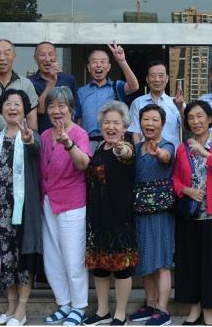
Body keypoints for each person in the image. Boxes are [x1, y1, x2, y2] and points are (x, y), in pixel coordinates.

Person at [0, 90, 43, 327]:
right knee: (6, 258)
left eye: (17, 104)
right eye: (8, 103)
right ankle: (10, 307)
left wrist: (27, 139)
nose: (12, 107)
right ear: (1, 109)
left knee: (25, 257)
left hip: (24, 210)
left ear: (25, 109)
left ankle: (21, 309)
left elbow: (36, 147)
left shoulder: (31, 135)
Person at [173, 100, 212, 326]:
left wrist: (206, 155)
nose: (196, 121)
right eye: (191, 118)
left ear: (209, 119)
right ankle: (194, 309)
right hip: (189, 216)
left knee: (211, 266)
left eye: (200, 116)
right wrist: (186, 190)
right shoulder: (182, 148)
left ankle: (209, 311)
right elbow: (174, 179)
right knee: (189, 264)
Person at [39, 87, 91, 327]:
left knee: (73, 258)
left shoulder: (79, 134)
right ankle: (65, 303)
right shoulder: (44, 135)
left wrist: (69, 144)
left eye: (61, 106)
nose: (56, 110)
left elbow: (83, 164)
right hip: (48, 201)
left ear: (71, 109)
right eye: (52, 106)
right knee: (52, 258)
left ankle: (79, 306)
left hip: (71, 202)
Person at [82, 101, 138, 326]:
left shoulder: (126, 148)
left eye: (116, 123)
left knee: (122, 268)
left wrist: (120, 147)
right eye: (107, 122)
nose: (111, 127)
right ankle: (103, 311)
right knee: (100, 267)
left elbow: (124, 153)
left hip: (120, 217)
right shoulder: (98, 148)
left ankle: (120, 313)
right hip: (97, 217)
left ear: (124, 127)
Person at [128, 104, 176, 327]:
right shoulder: (136, 148)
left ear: (163, 124)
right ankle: (149, 303)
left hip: (160, 212)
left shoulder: (167, 146)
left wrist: (159, 154)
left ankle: (163, 309)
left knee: (162, 262)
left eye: (155, 120)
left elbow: (166, 158)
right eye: (146, 119)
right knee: (145, 259)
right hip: (139, 211)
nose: (150, 124)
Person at [76, 43, 140, 150]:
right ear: (89, 67)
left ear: (109, 67)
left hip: (113, 142)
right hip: (87, 143)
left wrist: (121, 61)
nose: (98, 65)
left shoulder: (116, 87)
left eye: (102, 62)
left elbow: (134, 86)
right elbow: (78, 120)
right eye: (94, 62)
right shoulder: (80, 92)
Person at [28, 42, 80, 134]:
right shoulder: (29, 83)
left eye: (51, 54)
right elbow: (40, 110)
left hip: (68, 134)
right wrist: (51, 83)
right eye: (42, 55)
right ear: (35, 59)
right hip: (42, 135)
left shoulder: (68, 79)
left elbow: (76, 111)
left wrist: (76, 133)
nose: (47, 59)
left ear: (56, 57)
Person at [128, 61, 183, 146]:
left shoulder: (176, 102)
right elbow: (135, 133)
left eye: (161, 75)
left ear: (167, 78)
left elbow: (187, 127)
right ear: (147, 79)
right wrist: (139, 152)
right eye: (153, 76)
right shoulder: (138, 103)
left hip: (172, 152)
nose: (157, 79)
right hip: (146, 152)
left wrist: (181, 108)